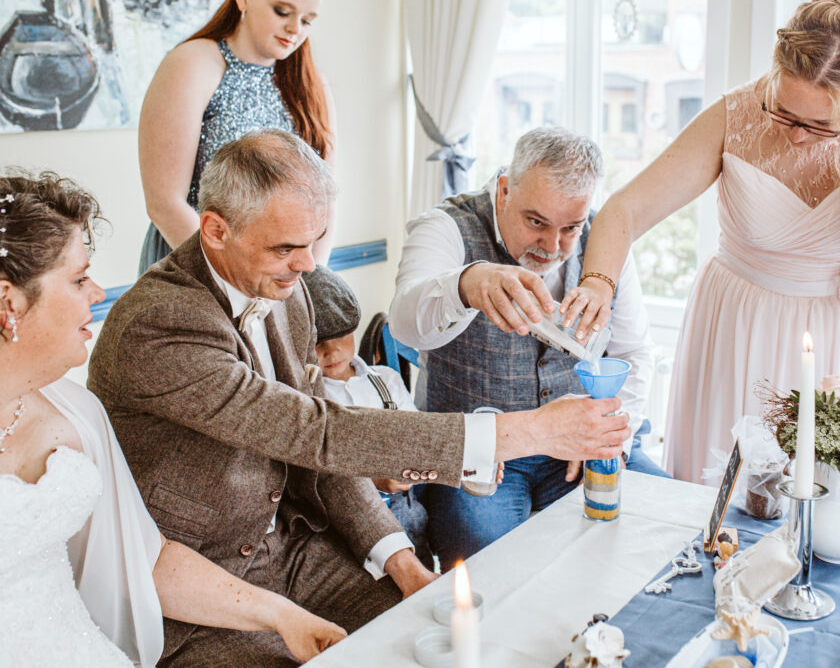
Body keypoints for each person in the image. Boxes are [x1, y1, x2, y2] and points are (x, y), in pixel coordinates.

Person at [88, 129, 628, 665]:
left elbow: (321, 458)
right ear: (215, 230)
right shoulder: (157, 324)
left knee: (433, 641)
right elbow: (316, 431)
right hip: (198, 592)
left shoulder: (287, 287)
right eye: (286, 247)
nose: (308, 266)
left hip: (298, 554)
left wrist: (402, 562)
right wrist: (532, 430)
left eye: (314, 240)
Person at [561, 0, 840, 528]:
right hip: (739, 331)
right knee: (727, 520)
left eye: (819, 124)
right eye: (783, 110)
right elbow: (623, 211)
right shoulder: (734, 116)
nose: (795, 136)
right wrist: (600, 282)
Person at [0, 171, 345, 668]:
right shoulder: (157, 324)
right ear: (10, 302)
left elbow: (148, 558)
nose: (98, 292)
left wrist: (282, 615)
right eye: (78, 279)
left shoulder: (77, 414)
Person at [388, 126, 664, 570]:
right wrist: (466, 284)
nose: (553, 247)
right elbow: (405, 321)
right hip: (481, 454)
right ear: (503, 191)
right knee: (493, 562)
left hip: (576, 446)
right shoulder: (447, 226)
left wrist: (610, 436)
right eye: (536, 222)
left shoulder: (604, 243)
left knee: (658, 521)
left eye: (570, 228)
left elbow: (633, 352)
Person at [137, 0, 336, 274]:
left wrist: (306, 275)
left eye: (307, 20)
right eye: (282, 12)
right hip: (195, 265)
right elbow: (164, 202)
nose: (294, 29)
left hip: (284, 278)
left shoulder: (311, 85)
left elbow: (326, 199)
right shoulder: (193, 64)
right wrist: (234, 278)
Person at [301, 264, 432, 569]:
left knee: (420, 561)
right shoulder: (307, 397)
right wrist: (371, 478)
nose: (331, 351)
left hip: (405, 508)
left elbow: (416, 432)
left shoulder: (385, 379)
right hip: (345, 520)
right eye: (318, 341)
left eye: (341, 336)